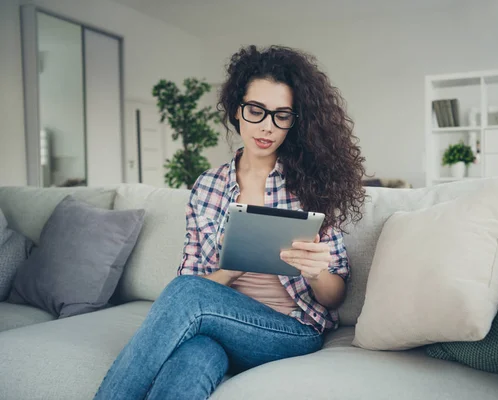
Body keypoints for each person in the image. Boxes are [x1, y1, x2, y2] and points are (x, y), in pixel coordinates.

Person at [94, 45, 366, 400]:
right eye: (256, 111)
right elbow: (191, 281)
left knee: (186, 295)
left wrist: (316, 273)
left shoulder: (311, 185)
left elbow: (334, 298)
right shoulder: (207, 186)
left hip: (290, 330)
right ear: (237, 110)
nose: (267, 127)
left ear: (294, 123)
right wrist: (229, 271)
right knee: (193, 358)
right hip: (219, 323)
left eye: (281, 115)